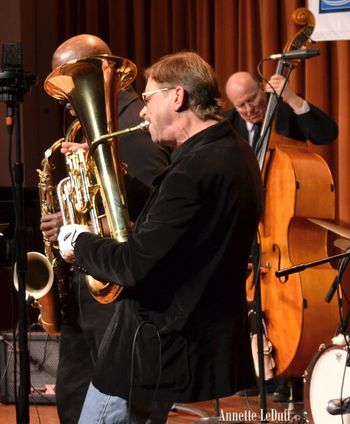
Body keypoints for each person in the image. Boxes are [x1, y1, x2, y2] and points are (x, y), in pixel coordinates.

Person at [57, 51, 264, 424]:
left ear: (178, 96)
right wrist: (116, 177)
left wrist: (80, 243)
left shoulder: (195, 168)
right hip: (178, 344)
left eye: (148, 99)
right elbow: (177, 218)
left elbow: (134, 264)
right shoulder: (230, 151)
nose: (141, 111)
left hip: (151, 349)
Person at [40, 34, 170, 424]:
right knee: (75, 396)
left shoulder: (133, 125)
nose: (64, 96)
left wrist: (77, 224)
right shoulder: (86, 128)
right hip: (91, 283)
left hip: (118, 288)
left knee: (122, 403)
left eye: (70, 78)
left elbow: (158, 207)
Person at [224, 71, 339, 402]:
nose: (249, 109)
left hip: (284, 229)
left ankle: (290, 374)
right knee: (248, 301)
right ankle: (257, 368)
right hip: (247, 229)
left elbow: (327, 132)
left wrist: (291, 98)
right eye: (241, 105)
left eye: (253, 100)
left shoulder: (285, 111)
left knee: (285, 301)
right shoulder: (229, 125)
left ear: (263, 90)